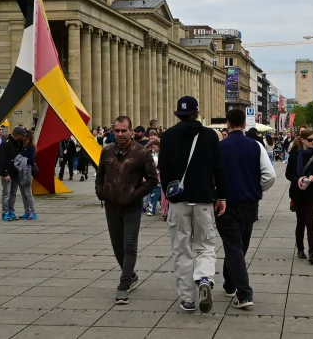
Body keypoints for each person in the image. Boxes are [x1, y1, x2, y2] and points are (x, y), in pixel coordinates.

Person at [158, 96, 226, 313]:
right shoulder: (210, 136)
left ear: (178, 114)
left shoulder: (167, 136)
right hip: (204, 199)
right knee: (205, 245)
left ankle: (188, 298)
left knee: (182, 249)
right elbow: (218, 168)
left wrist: (170, 194)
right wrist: (221, 196)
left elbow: (163, 170)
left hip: (179, 201)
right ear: (197, 113)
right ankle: (204, 278)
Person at [216, 109, 275, 310]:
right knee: (239, 246)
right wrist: (256, 189)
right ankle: (230, 283)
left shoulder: (219, 147)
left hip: (226, 203)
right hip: (250, 204)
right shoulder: (256, 146)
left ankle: (243, 292)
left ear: (227, 124)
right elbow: (270, 175)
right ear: (244, 124)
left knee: (233, 246)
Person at [96, 115, 159, 305]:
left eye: (124, 130)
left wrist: (135, 194)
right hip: (111, 205)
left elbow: (153, 180)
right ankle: (130, 275)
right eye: (117, 130)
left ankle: (123, 285)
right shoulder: (107, 151)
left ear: (131, 131)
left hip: (132, 205)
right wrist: (100, 191)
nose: (120, 134)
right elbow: (100, 173)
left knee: (129, 244)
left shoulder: (141, 152)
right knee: (117, 246)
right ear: (113, 131)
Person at [285, 127, 313, 265]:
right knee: (301, 221)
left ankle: (312, 252)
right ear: (302, 140)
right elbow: (288, 174)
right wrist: (297, 178)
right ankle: (300, 248)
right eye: (310, 140)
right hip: (298, 192)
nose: (312, 142)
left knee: (310, 222)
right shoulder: (294, 154)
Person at [0, 126, 36, 221]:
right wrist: (4, 173)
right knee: (6, 193)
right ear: (17, 135)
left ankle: (11, 211)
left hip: (15, 173)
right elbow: (1, 160)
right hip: (8, 172)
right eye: (22, 135)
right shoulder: (6, 143)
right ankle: (5, 212)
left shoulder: (18, 143)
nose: (23, 137)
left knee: (13, 194)